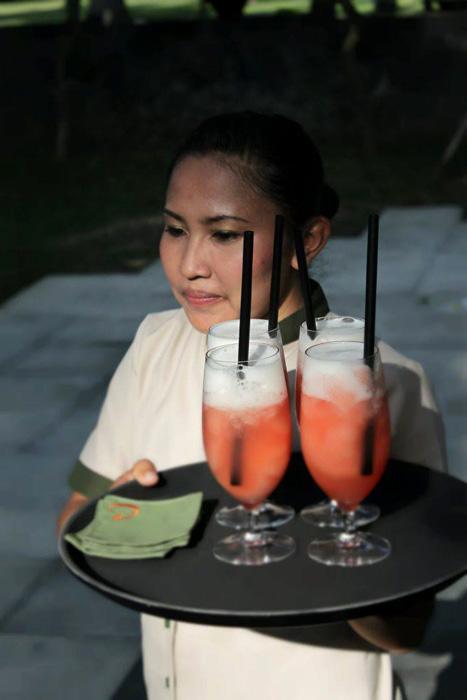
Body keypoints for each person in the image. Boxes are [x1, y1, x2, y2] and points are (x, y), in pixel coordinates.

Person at [57, 111, 446, 700]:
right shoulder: (156, 344)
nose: (190, 264)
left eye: (225, 234)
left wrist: (329, 529)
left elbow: (404, 630)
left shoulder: (385, 382)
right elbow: (75, 519)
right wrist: (131, 519)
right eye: (175, 229)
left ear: (306, 241)